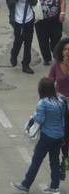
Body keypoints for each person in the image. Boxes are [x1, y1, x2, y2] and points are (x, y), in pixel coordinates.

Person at [11, 78, 65, 194]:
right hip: (58, 136)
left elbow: (40, 119)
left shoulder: (43, 103)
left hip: (46, 136)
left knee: (36, 159)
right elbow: (62, 120)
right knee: (54, 161)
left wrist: (34, 116)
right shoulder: (60, 102)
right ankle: (54, 186)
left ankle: (26, 184)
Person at [5, 0, 37, 74]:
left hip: (28, 17)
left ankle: (26, 64)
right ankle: (14, 54)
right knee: (18, 40)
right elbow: (9, 2)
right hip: (17, 19)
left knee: (28, 42)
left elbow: (34, 2)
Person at [35, 0, 66, 67]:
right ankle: (46, 58)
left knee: (56, 37)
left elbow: (62, 0)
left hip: (55, 18)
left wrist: (62, 12)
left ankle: (56, 55)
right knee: (43, 40)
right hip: (41, 20)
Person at [47, 37, 69, 166]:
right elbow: (49, 83)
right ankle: (65, 157)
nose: (67, 52)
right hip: (61, 103)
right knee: (64, 131)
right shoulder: (56, 65)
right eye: (65, 49)